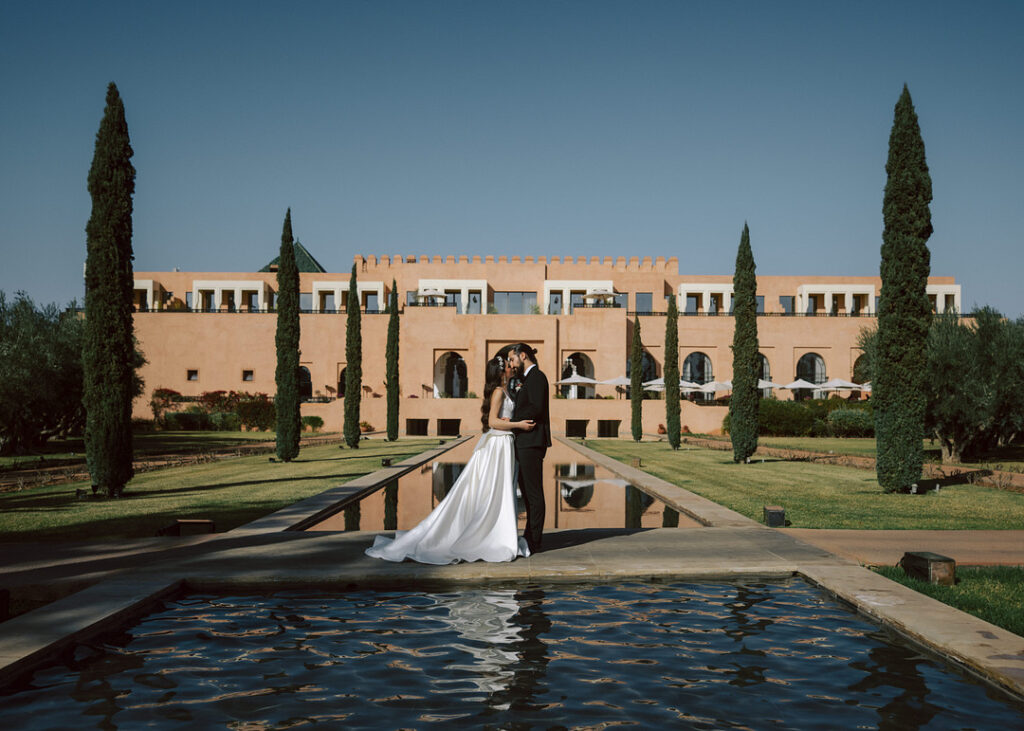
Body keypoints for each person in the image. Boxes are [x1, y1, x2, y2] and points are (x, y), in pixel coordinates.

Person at [365, 355, 534, 564]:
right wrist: (518, 425)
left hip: (504, 445)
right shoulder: (499, 391)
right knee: (491, 490)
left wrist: (509, 421)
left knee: (498, 490)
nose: (512, 368)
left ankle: (496, 531)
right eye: (508, 366)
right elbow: (492, 421)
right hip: (498, 446)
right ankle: (488, 536)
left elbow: (499, 418)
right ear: (501, 373)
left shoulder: (507, 390)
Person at [508, 343, 551, 554]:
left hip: (532, 442)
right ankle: (530, 536)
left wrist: (513, 420)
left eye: (512, 359)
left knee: (533, 494)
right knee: (527, 493)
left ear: (522, 355)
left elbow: (536, 407)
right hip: (525, 442)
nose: (511, 364)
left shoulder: (538, 377)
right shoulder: (528, 379)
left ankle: (535, 541)